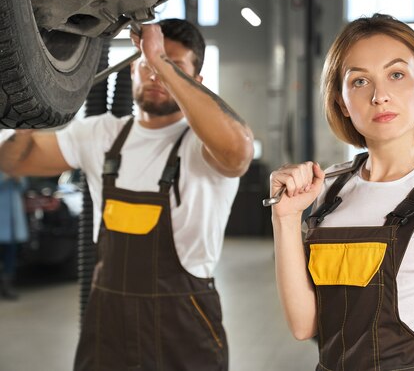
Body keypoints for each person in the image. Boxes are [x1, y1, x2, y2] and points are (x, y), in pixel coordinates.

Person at [0, 18, 254, 370]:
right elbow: (13, 161)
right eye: (147, 65)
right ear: (133, 68)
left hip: (182, 318)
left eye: (171, 67)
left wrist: (159, 59)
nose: (155, 75)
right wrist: (29, 111)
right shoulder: (101, 133)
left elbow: (238, 153)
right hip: (108, 317)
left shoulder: (202, 145)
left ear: (195, 83)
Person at [269, 14, 414, 371]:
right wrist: (284, 218)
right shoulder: (329, 188)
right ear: (343, 102)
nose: (380, 96)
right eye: (360, 81)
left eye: (396, 75)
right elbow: (305, 325)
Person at [0, 171, 28, 300]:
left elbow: (24, 187)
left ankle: (7, 286)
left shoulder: (15, 166)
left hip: (12, 221)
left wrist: (18, 178)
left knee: (10, 255)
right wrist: (4, 179)